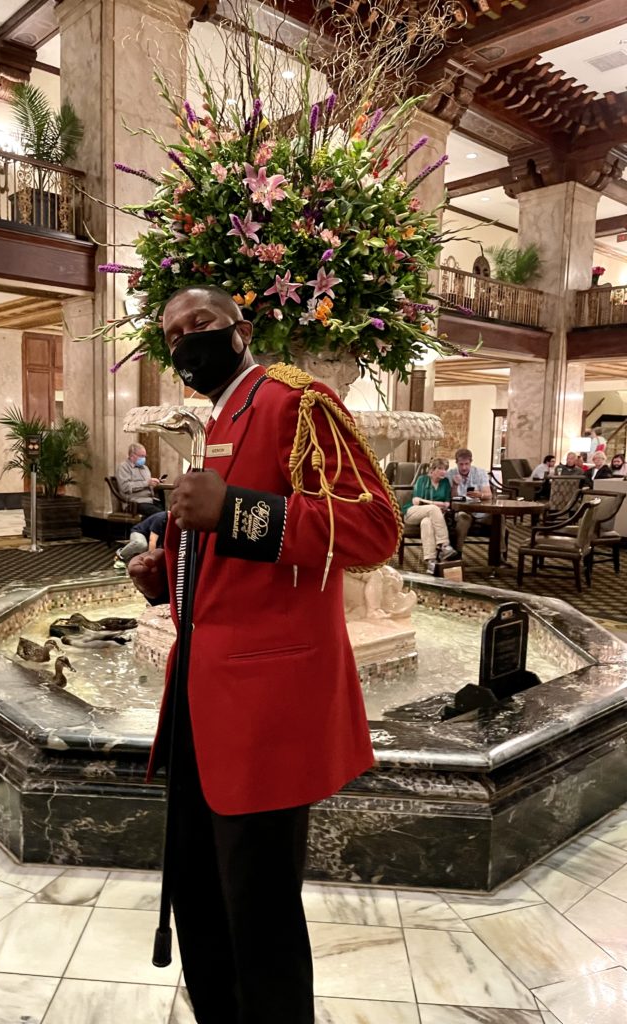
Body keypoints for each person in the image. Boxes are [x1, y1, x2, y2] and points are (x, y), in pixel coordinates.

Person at [128, 284, 399, 1024]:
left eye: (202, 324)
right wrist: (164, 584)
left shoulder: (296, 402)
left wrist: (238, 513)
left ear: (241, 328)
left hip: (264, 710)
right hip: (197, 695)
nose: (188, 340)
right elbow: (226, 575)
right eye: (174, 333)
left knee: (258, 910)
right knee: (199, 891)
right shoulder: (218, 416)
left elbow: (376, 529)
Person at [400, 458, 459, 574]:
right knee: (433, 509)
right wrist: (436, 504)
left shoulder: (445, 482)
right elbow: (416, 501)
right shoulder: (422, 480)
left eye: (445, 469)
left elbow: (447, 504)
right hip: (413, 512)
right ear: (432, 470)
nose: (443, 472)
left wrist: (426, 502)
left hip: (430, 516)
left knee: (426, 523)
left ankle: (431, 561)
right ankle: (444, 545)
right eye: (440, 469)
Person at [448, 447, 492, 552]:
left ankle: (498, 556)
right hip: (463, 511)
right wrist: (454, 486)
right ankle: (456, 554)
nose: (464, 468)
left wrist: (480, 494)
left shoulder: (480, 473)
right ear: (456, 463)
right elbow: (451, 498)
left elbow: (489, 495)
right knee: (463, 518)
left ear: (471, 462)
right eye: (461, 464)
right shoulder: (450, 474)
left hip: (481, 512)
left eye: (466, 464)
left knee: (499, 518)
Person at [115, 442, 164, 517]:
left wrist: (155, 482)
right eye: (141, 456)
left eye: (145, 456)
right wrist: (147, 483)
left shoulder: (145, 468)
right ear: (132, 456)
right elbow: (125, 487)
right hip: (134, 503)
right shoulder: (123, 467)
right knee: (160, 515)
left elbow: (148, 485)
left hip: (149, 501)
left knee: (168, 511)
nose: (144, 459)